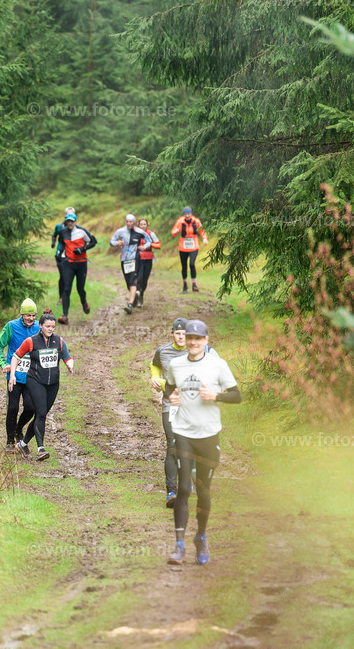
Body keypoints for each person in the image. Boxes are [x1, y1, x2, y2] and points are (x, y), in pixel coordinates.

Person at [163, 319, 242, 565]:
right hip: (183, 433)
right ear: (185, 340)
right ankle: (178, 545)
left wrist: (216, 396)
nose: (193, 343)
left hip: (208, 435)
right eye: (190, 338)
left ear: (206, 341)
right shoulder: (176, 364)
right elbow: (169, 389)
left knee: (204, 490)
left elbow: (237, 396)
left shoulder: (218, 365)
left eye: (198, 339)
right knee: (184, 489)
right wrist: (172, 396)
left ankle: (201, 537)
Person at [150, 318, 218, 507]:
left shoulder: (202, 350)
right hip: (170, 406)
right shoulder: (162, 351)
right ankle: (171, 492)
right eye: (178, 334)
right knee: (173, 445)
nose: (181, 338)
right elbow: (155, 365)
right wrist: (155, 378)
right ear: (172, 334)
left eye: (184, 334)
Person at [9, 309, 74, 461]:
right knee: (41, 413)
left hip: (53, 383)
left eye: (53, 327)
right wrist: (12, 375)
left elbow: (67, 357)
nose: (50, 329)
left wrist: (70, 365)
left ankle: (23, 444)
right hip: (35, 380)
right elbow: (16, 357)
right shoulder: (30, 341)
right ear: (40, 326)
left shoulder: (59, 341)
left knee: (40, 415)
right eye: (47, 327)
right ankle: (40, 449)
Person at [0, 298, 41, 453]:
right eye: (28, 315)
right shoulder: (11, 326)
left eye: (33, 315)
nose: (31, 319)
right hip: (14, 375)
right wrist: (3, 363)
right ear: (22, 314)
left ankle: (18, 429)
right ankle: (9, 441)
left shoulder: (39, 327)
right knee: (13, 407)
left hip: (31, 376)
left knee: (31, 407)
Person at [56, 213, 97, 325]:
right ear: (65, 222)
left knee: (80, 289)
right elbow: (62, 243)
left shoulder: (82, 231)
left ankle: (84, 302)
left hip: (81, 264)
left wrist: (82, 249)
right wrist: (59, 254)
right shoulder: (63, 232)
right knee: (67, 289)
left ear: (75, 222)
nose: (70, 223)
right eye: (68, 221)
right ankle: (65, 316)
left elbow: (93, 242)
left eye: (72, 221)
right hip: (68, 263)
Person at [109, 214, 151, 315]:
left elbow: (149, 240)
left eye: (131, 222)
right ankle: (134, 298)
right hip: (124, 259)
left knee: (133, 281)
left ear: (134, 222)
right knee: (128, 282)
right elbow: (111, 241)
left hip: (135, 259)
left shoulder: (139, 231)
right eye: (127, 222)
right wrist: (116, 243)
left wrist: (144, 247)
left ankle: (130, 304)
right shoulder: (120, 231)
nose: (129, 224)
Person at [171, 207, 208, 293]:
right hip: (183, 246)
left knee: (191, 264)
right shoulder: (180, 221)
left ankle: (194, 284)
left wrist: (204, 238)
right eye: (185, 214)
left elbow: (202, 231)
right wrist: (175, 232)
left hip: (193, 245)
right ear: (183, 214)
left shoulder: (196, 221)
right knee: (184, 266)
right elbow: (173, 232)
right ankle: (185, 285)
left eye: (188, 213)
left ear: (191, 213)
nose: (187, 215)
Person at [51, 207, 76, 306]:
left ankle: (66, 297)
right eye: (68, 215)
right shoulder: (59, 226)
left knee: (68, 277)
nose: (69, 218)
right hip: (60, 255)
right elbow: (54, 235)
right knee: (63, 276)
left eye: (72, 215)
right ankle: (61, 297)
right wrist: (53, 243)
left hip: (72, 255)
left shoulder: (76, 228)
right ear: (64, 215)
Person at [135, 218, 161, 308]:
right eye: (141, 224)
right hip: (138, 259)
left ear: (147, 225)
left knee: (145, 280)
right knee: (139, 277)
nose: (143, 226)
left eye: (144, 224)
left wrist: (149, 245)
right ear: (138, 225)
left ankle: (141, 294)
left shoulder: (151, 234)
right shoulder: (135, 233)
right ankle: (137, 295)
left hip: (148, 259)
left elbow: (159, 245)